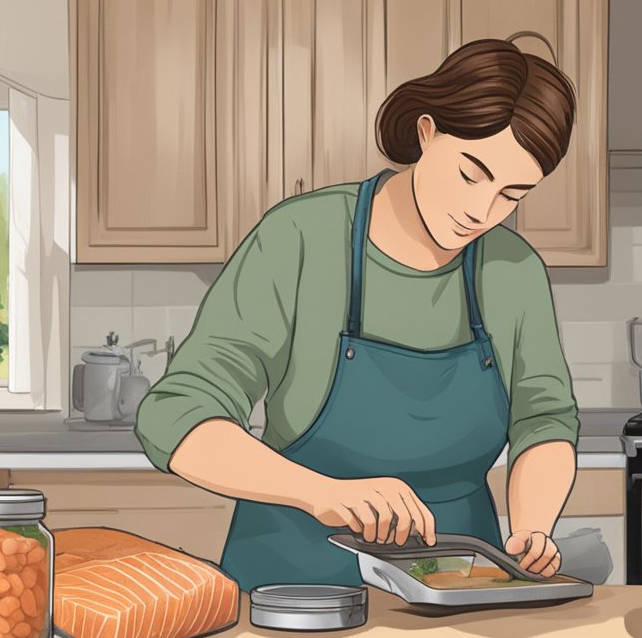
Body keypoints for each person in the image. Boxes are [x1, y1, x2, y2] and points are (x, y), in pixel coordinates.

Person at [135, 39, 580, 591]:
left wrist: (533, 529)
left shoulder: (514, 273)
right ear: (426, 132)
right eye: (471, 175)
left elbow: (544, 421)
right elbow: (177, 414)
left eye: (512, 194)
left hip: (460, 584)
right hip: (291, 585)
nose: (481, 211)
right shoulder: (300, 238)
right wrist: (323, 492)